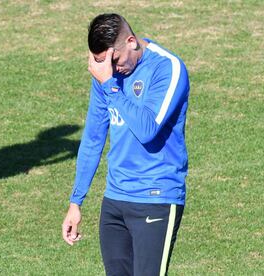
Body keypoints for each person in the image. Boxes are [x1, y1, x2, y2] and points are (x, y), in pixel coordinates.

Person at [61, 13, 190, 276]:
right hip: (115, 201)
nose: (111, 68)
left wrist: (109, 84)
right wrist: (76, 202)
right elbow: (93, 137)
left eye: (114, 59)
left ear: (131, 41)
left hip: (156, 198)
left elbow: (147, 129)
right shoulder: (106, 75)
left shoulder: (167, 68)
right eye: (101, 63)